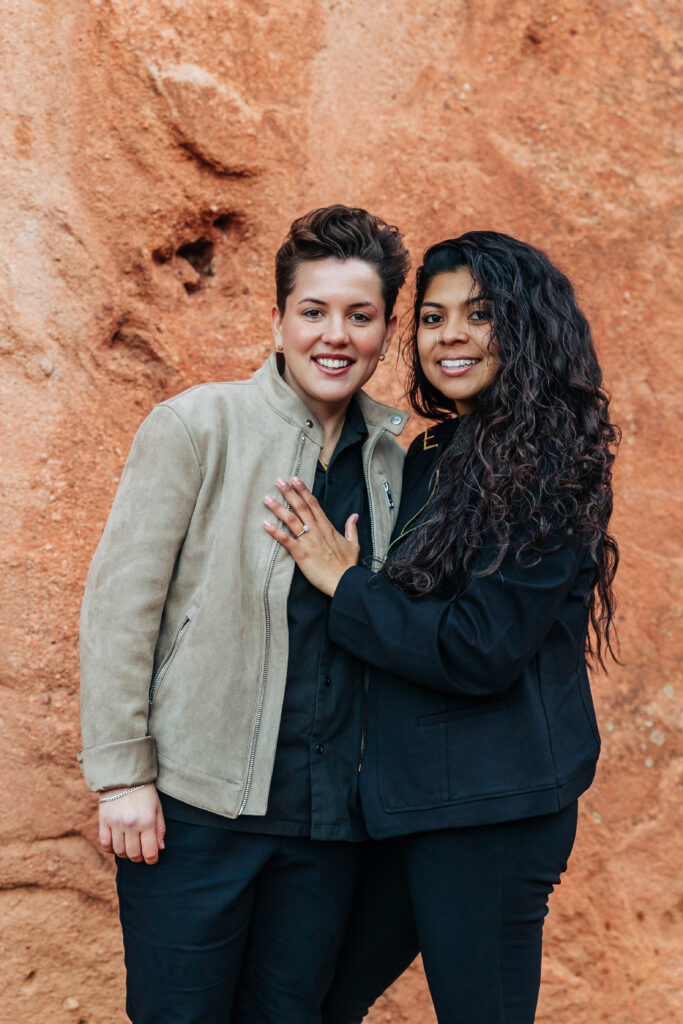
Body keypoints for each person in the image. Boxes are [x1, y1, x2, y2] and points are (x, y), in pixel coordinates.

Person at [263, 231, 620, 1024]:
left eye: (479, 314)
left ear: (524, 328)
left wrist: (342, 583)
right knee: (308, 1002)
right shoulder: (435, 452)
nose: (449, 334)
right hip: (408, 800)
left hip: (490, 810)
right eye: (431, 317)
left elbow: (478, 648)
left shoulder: (548, 464)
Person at [78, 204, 411, 1023]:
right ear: (278, 320)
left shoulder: (394, 463)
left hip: (329, 825)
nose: (334, 336)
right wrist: (123, 775)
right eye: (313, 311)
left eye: (359, 316)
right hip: (194, 812)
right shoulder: (198, 425)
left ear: (384, 329)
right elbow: (122, 604)